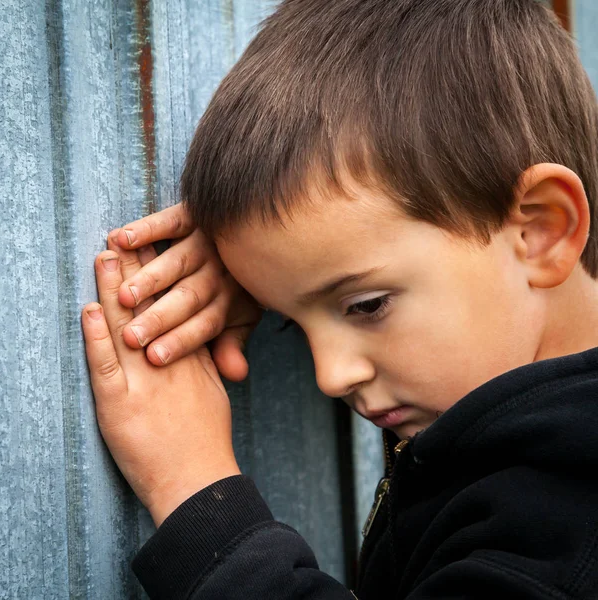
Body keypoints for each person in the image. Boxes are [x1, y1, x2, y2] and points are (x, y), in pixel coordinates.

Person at [81, 0, 598, 598]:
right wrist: (281, 271)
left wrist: (195, 493)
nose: (329, 376)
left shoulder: (570, 509)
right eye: (291, 325)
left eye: (367, 305)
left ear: (541, 231)